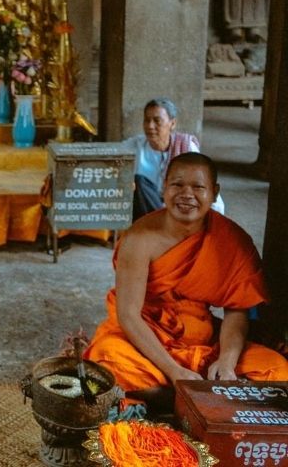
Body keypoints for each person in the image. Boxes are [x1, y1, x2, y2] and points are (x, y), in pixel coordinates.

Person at [85, 153, 288, 406]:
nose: (187, 194)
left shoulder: (232, 241)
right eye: (177, 185)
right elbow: (128, 315)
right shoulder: (140, 239)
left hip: (203, 342)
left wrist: (226, 362)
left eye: (198, 187)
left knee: (277, 371)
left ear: (214, 192)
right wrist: (174, 371)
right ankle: (194, 395)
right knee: (109, 359)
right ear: (163, 187)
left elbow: (237, 312)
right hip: (146, 337)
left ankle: (175, 396)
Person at [127, 97, 223, 221]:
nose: (150, 126)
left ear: (172, 124)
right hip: (146, 210)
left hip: (176, 210)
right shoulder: (136, 145)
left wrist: (216, 219)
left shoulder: (186, 147)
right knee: (138, 183)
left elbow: (205, 184)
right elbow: (110, 153)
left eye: (157, 121)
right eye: (147, 120)